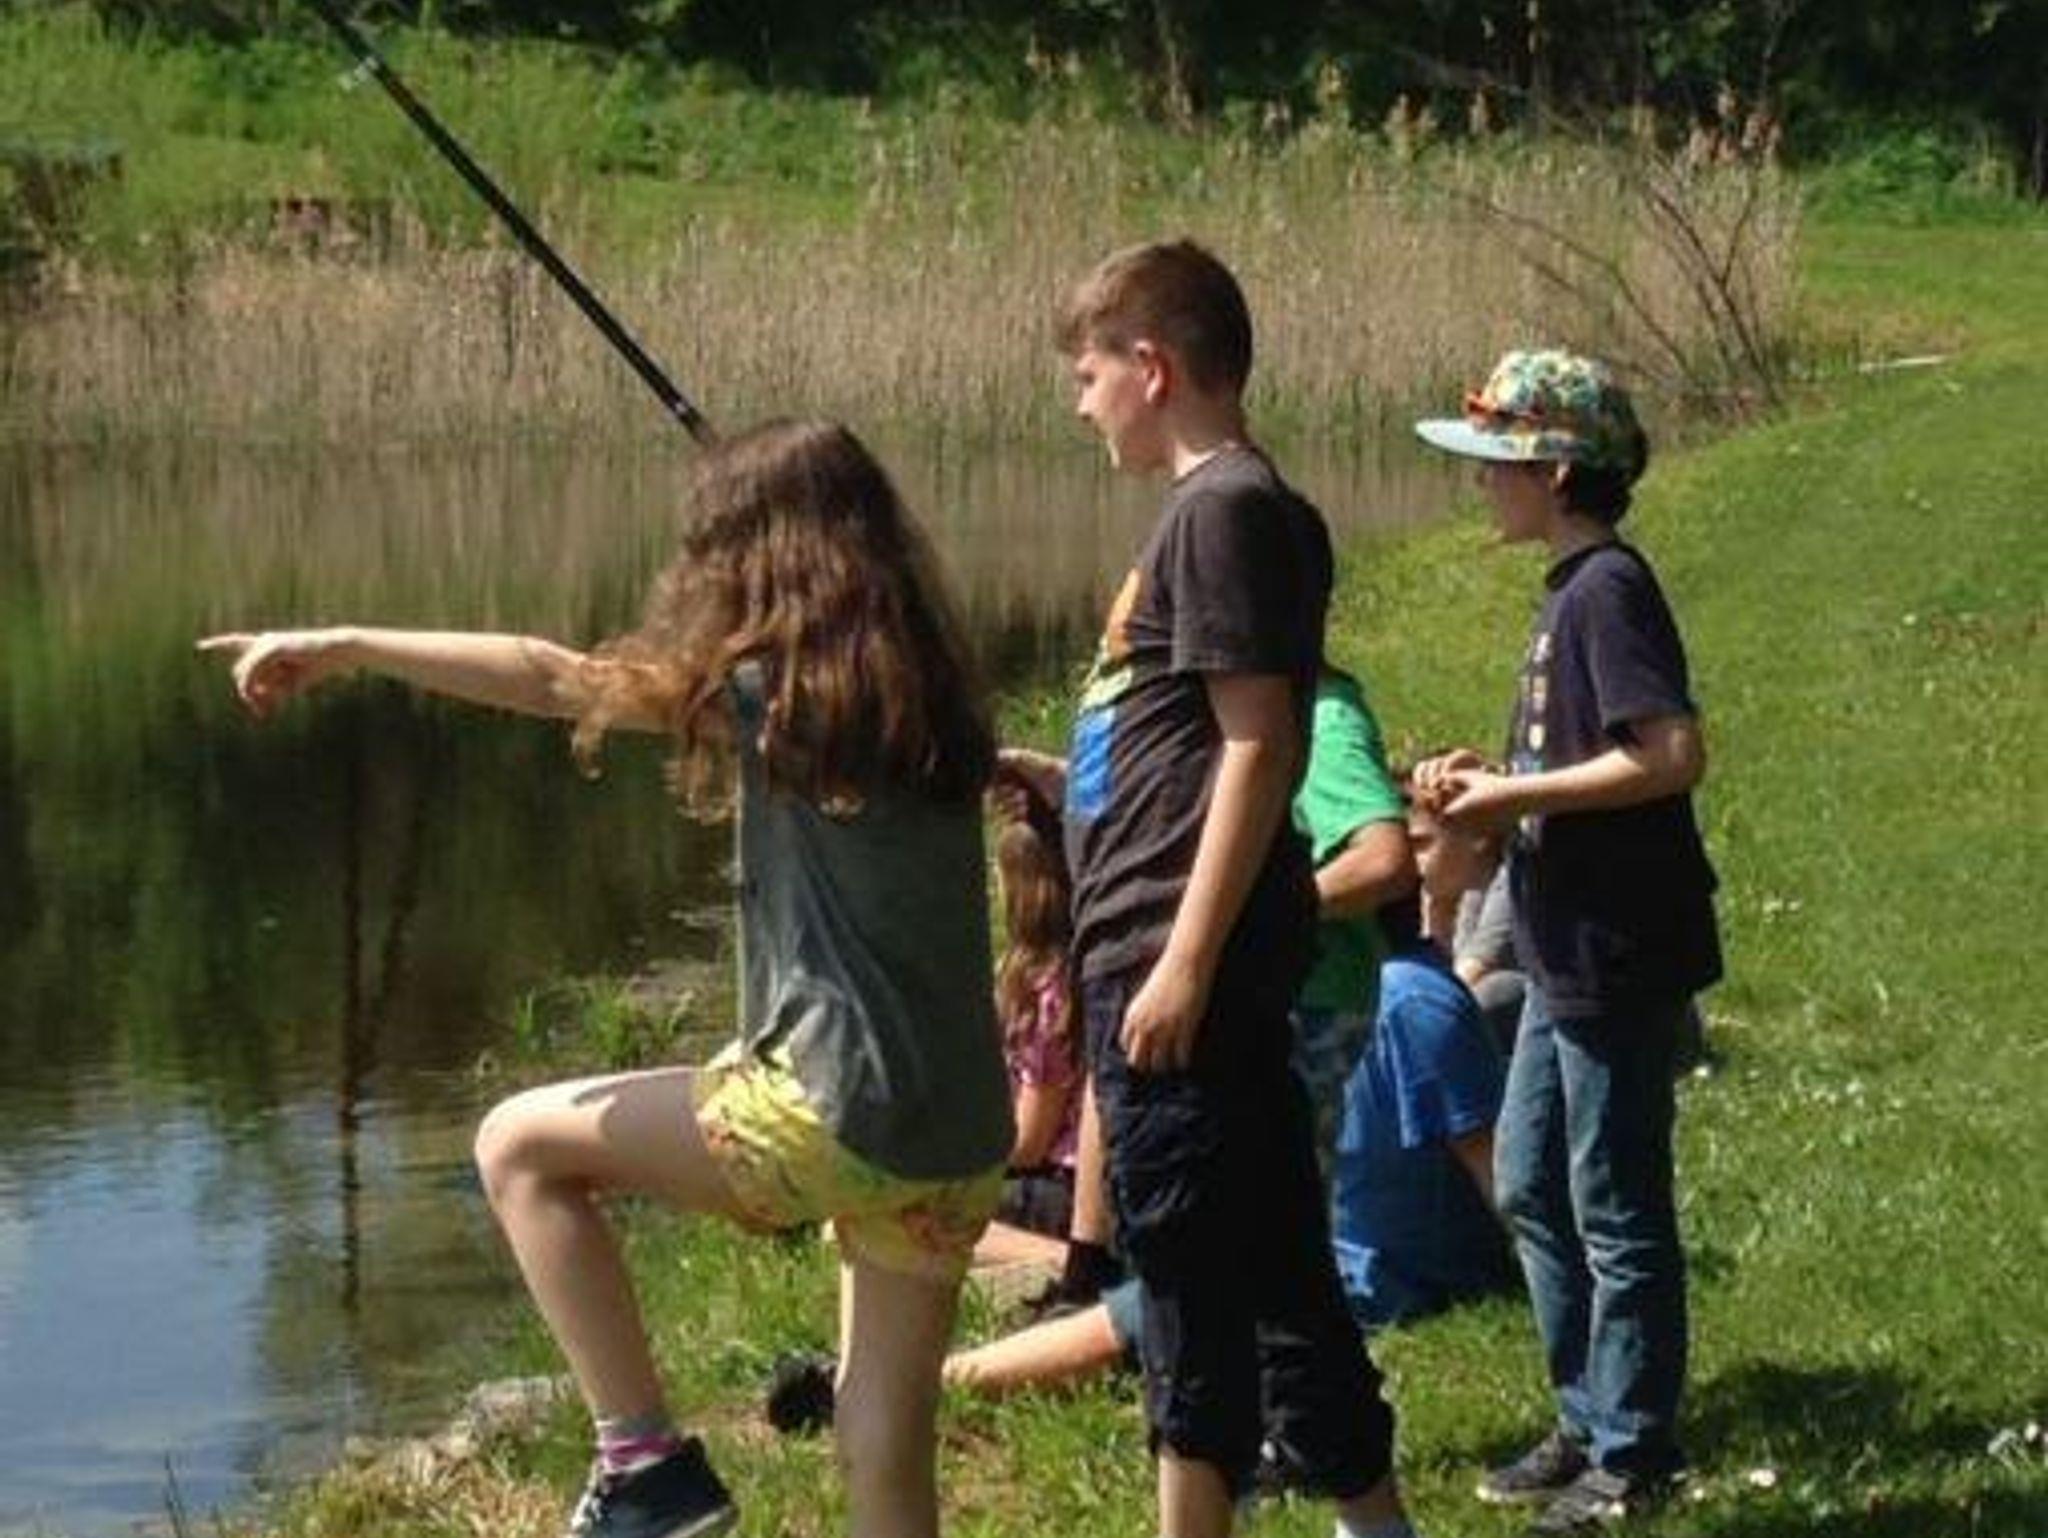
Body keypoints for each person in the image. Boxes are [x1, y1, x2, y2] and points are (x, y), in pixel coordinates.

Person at [200, 420, 1015, 1538]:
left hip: (839, 1120)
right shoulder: (931, 694)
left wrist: (348, 643)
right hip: (957, 1133)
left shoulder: (773, 695)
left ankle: (644, 1466)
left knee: (516, 1146)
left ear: (758, 561)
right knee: (881, 1430)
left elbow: (554, 675)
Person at [1004, 239, 1416, 1538]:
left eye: (1087, 374)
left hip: (1171, 974)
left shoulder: (1220, 510)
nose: (1079, 402)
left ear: (1152, 366)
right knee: (1285, 1272)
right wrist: (1062, 781)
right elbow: (1192, 739)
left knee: (1187, 1306)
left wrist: (1182, 960)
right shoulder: (1225, 511)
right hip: (1169, 954)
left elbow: (1259, 741)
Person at [1412, 351, 1722, 1535]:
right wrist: (1494, 779)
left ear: (1551, 471)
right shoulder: (1565, 590)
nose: (1478, 483)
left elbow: (1669, 752)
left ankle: (1634, 1450)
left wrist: (1509, 797)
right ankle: (1587, 1413)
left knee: (1612, 1195)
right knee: (1531, 1181)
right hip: (1557, 944)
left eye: (1494, 463)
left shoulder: (1606, 590)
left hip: (1615, 946)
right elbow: (1578, 760)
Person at [986, 812, 1083, 1245]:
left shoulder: (1048, 990)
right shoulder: (1074, 968)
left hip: (1059, 1184)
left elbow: (1030, 1143)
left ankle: (1052, 1257)